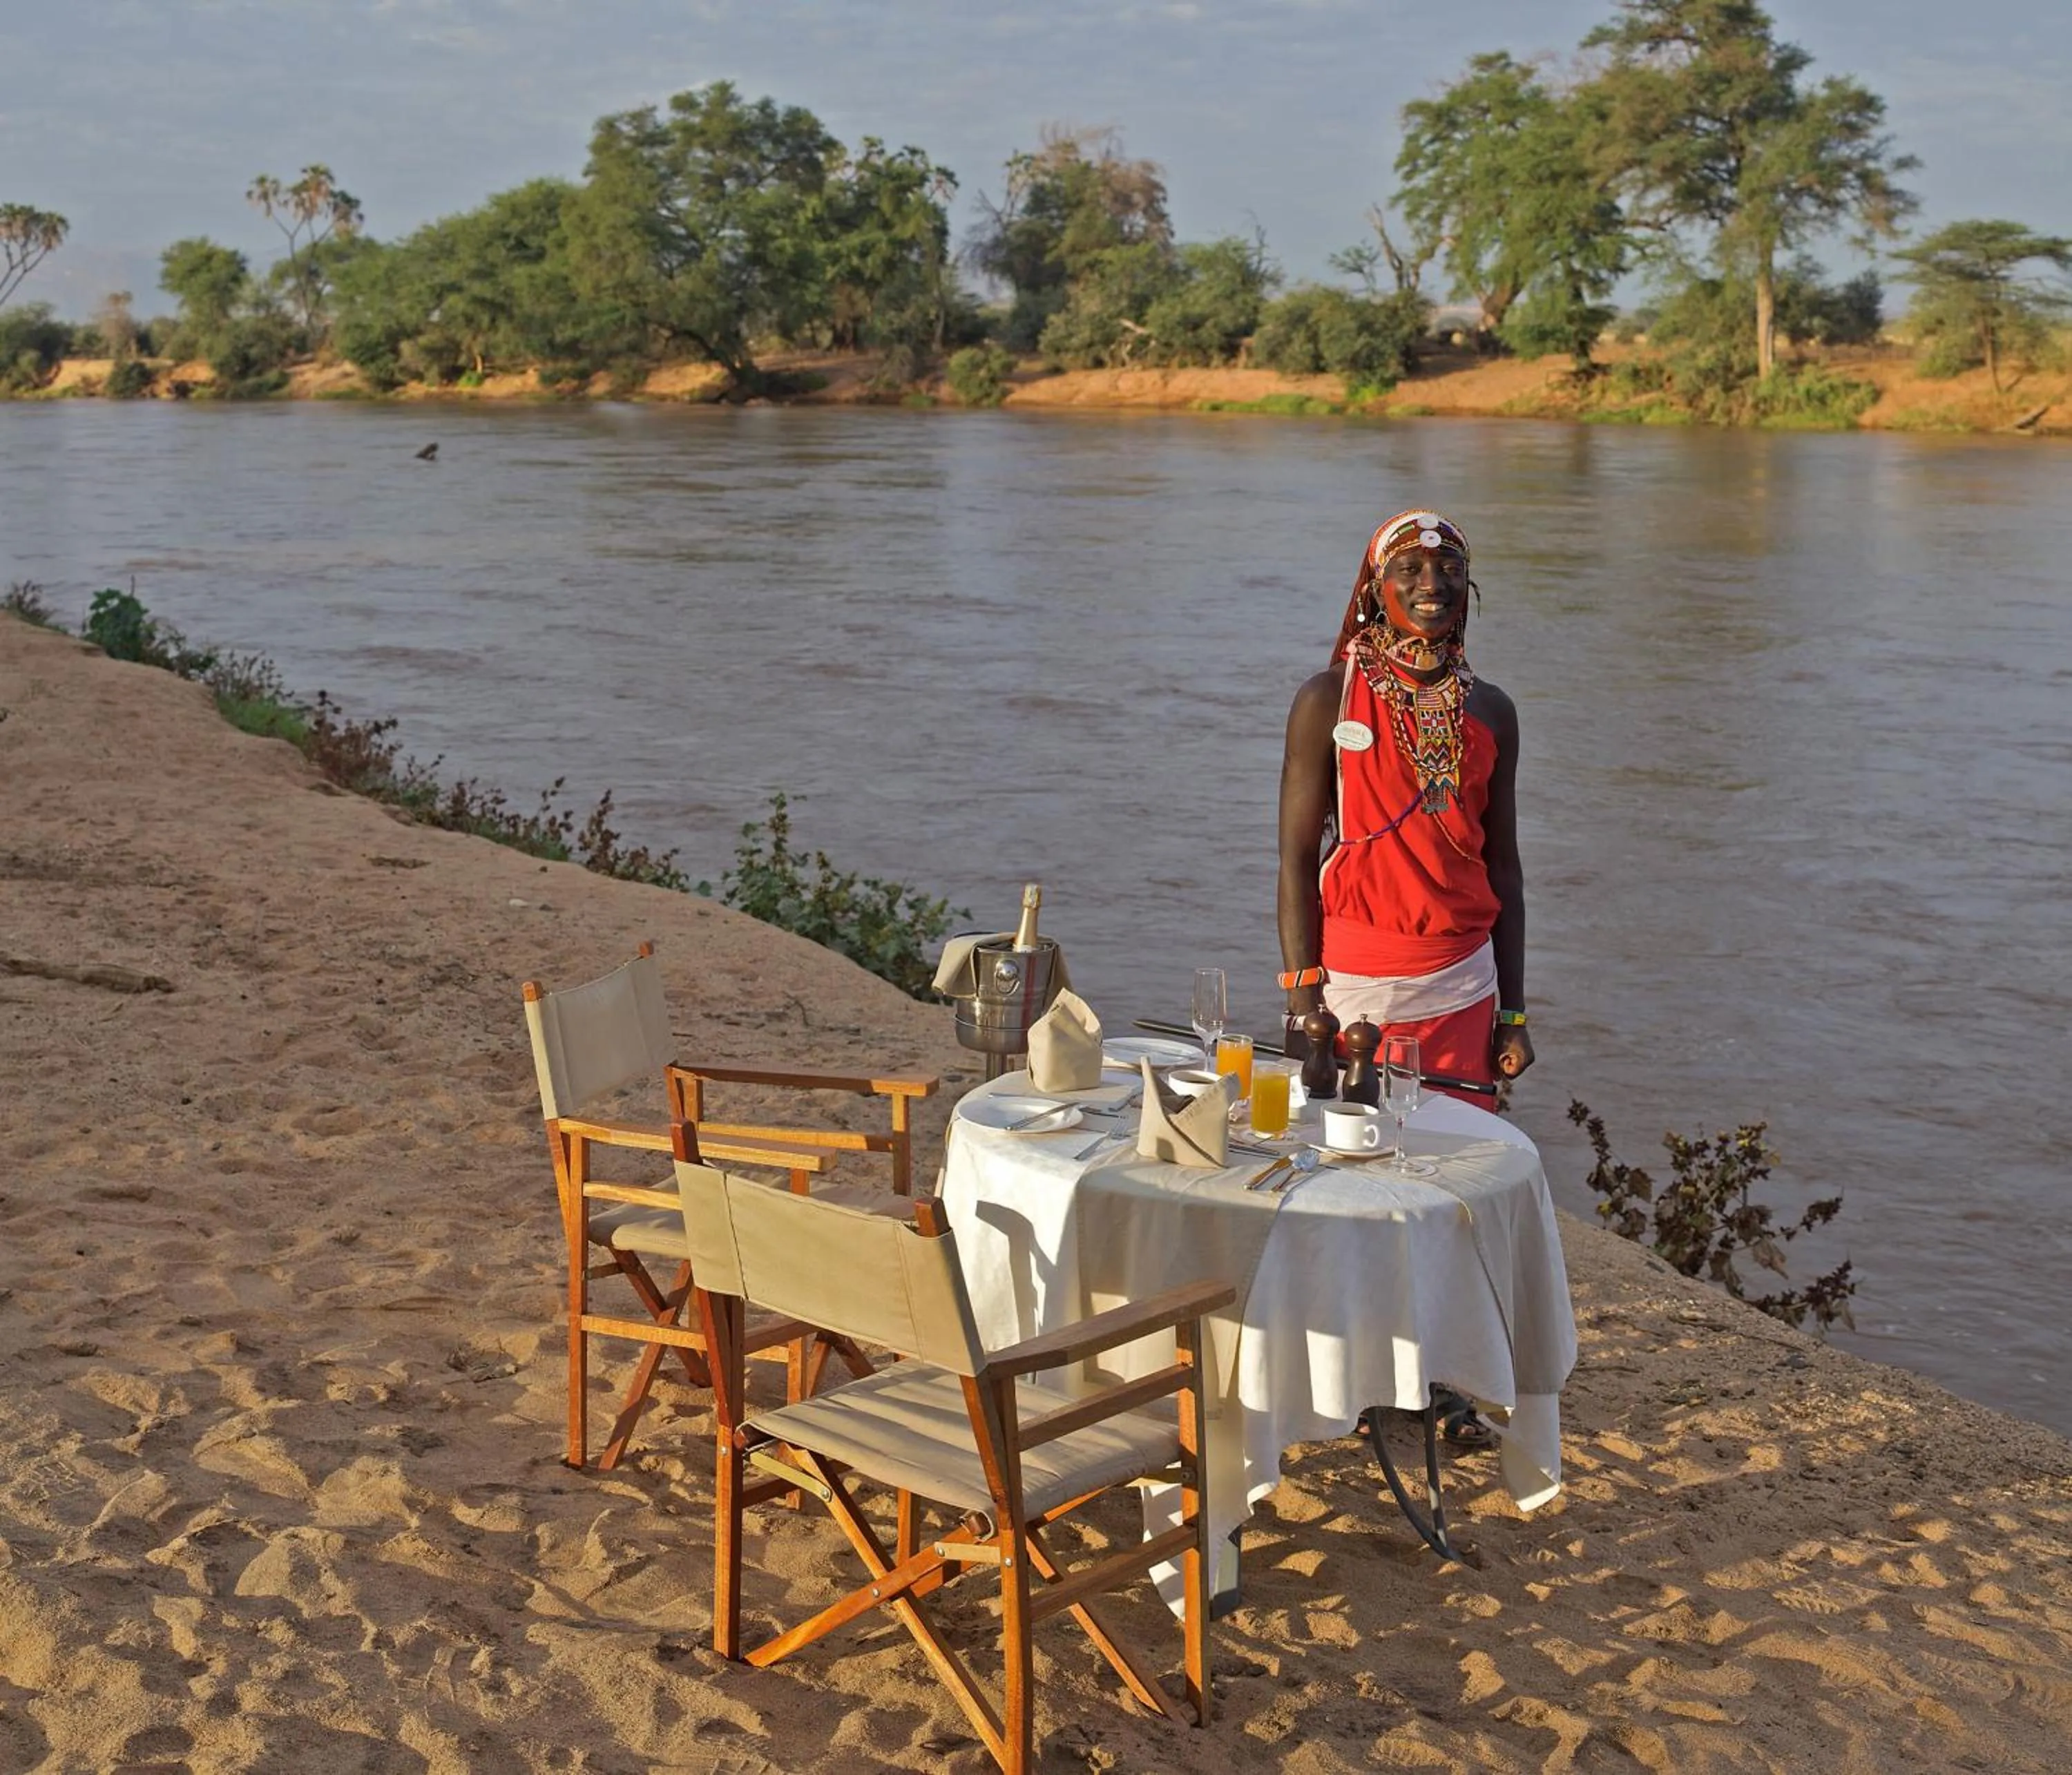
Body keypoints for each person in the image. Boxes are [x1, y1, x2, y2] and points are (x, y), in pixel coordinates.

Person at [1276, 508, 1533, 1102]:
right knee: (1349, 1167)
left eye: (1449, 568)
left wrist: (1514, 1014)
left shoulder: (1492, 710)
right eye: (1409, 568)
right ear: (1375, 585)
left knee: (1457, 1171)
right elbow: (1295, 859)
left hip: (1463, 989)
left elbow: (1504, 870)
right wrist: (1301, 1002)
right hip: (1352, 990)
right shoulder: (1327, 700)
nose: (1431, 584)